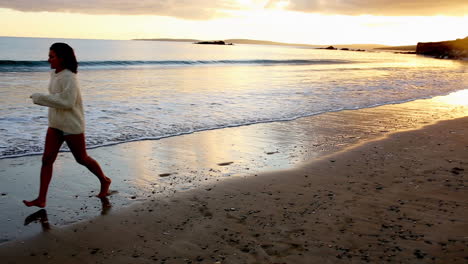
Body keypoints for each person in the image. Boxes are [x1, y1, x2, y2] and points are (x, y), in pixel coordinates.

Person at [23, 43, 111, 208]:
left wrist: (39, 97)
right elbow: (56, 97)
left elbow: (67, 102)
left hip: (71, 125)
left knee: (82, 159)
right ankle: (41, 199)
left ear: (62, 58)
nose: (48, 59)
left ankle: (105, 181)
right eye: (49, 56)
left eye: (52, 56)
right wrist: (44, 99)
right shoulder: (54, 74)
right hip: (55, 124)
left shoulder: (69, 77)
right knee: (47, 160)